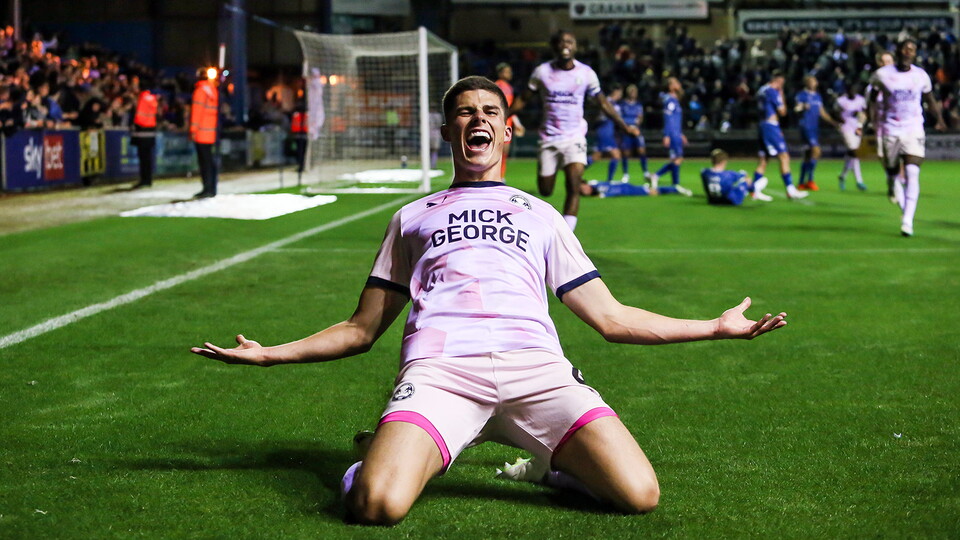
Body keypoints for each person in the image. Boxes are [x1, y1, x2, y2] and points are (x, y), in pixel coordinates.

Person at [191, 76, 788, 526]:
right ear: (449, 132)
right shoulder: (412, 217)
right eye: (464, 114)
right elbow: (361, 328)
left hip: (538, 372)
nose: (477, 120)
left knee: (638, 495)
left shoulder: (543, 215)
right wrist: (271, 355)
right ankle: (377, 455)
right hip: (442, 373)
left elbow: (612, 318)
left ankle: (551, 466)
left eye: (490, 112)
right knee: (375, 504)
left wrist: (714, 327)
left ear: (507, 131)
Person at [509, 30, 639, 231]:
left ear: (575, 46)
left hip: (574, 137)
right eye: (561, 42)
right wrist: (502, 117)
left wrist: (624, 126)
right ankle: (557, 167)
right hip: (549, 138)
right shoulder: (542, 72)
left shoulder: (586, 74)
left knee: (574, 185)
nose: (565, 44)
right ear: (554, 47)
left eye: (569, 41)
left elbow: (603, 102)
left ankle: (566, 237)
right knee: (545, 190)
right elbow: (524, 98)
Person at [867, 38, 946, 237]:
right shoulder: (882, 74)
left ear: (914, 53)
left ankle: (907, 221)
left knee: (912, 171)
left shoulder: (921, 76)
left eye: (912, 49)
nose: (908, 52)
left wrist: (939, 119)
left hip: (913, 129)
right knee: (892, 172)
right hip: (890, 129)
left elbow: (929, 99)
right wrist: (871, 116)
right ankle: (893, 187)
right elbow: (872, 95)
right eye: (905, 48)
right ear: (899, 51)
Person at [753, 71, 807, 200]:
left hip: (762, 125)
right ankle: (790, 189)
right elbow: (782, 111)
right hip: (771, 125)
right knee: (784, 156)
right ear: (778, 80)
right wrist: (781, 95)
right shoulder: (773, 91)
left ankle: (754, 189)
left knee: (764, 160)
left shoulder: (762, 90)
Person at [647, 78, 693, 196]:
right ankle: (662, 178)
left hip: (676, 133)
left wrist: (681, 134)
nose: (679, 85)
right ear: (671, 86)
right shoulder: (670, 100)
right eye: (676, 83)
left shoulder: (675, 100)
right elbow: (668, 119)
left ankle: (671, 182)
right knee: (678, 158)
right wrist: (667, 135)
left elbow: (675, 120)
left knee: (676, 159)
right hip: (672, 134)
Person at [793, 75, 838, 191]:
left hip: (814, 127)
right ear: (806, 83)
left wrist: (834, 122)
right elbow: (796, 108)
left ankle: (801, 182)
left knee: (808, 155)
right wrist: (802, 106)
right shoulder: (802, 95)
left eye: (814, 81)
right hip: (806, 127)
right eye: (811, 81)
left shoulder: (817, 96)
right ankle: (811, 180)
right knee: (816, 151)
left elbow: (822, 112)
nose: (813, 83)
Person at [867, 51, 899, 203]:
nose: (887, 65)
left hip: (898, 125)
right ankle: (891, 178)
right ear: (879, 64)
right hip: (881, 125)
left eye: (890, 61)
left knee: (902, 154)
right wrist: (867, 122)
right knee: (883, 156)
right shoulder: (873, 86)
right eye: (884, 61)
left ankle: (898, 182)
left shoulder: (900, 81)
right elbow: (869, 105)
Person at [585, 84, 626, 183]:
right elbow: (599, 117)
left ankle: (577, 169)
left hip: (608, 132)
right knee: (614, 155)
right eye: (620, 92)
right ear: (615, 92)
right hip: (604, 132)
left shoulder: (614, 104)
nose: (621, 95)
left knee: (597, 156)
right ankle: (609, 180)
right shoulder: (606, 102)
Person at [700, 149, 772, 205]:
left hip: (713, 201)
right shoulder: (729, 174)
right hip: (731, 201)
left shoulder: (704, 172)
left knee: (730, 186)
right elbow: (743, 176)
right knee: (745, 179)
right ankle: (754, 192)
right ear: (724, 161)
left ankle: (753, 191)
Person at [190, 69, 219, 198]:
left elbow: (197, 112)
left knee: (204, 162)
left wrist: (193, 130)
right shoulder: (213, 91)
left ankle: (207, 188)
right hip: (210, 132)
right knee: (210, 162)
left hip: (201, 133)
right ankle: (212, 188)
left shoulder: (200, 92)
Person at [493, 62, 525, 179]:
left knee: (504, 152)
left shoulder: (509, 87)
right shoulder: (497, 87)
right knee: (497, 152)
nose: (510, 73)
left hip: (508, 122)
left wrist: (516, 123)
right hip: (499, 123)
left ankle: (500, 177)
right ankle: (495, 177)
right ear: (500, 73)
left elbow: (510, 108)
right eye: (507, 71)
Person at [835, 84, 869, 191]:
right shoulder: (841, 100)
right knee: (854, 152)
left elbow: (864, 114)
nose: (852, 92)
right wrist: (840, 120)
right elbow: (835, 112)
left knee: (853, 154)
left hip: (856, 128)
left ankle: (842, 176)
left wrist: (860, 125)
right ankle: (859, 181)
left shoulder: (861, 100)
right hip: (845, 128)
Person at [130, 77, 159, 189]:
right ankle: (148, 179)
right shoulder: (152, 98)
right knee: (148, 158)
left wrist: (134, 125)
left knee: (143, 158)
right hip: (151, 132)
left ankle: (144, 180)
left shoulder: (142, 98)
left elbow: (139, 117)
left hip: (142, 133)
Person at [617, 83, 649, 182]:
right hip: (626, 130)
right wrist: (628, 127)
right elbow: (620, 118)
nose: (633, 94)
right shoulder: (623, 105)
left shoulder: (638, 105)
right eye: (631, 92)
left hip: (636, 130)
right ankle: (626, 174)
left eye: (635, 92)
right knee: (626, 153)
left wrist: (636, 125)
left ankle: (645, 172)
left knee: (642, 150)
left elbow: (640, 117)